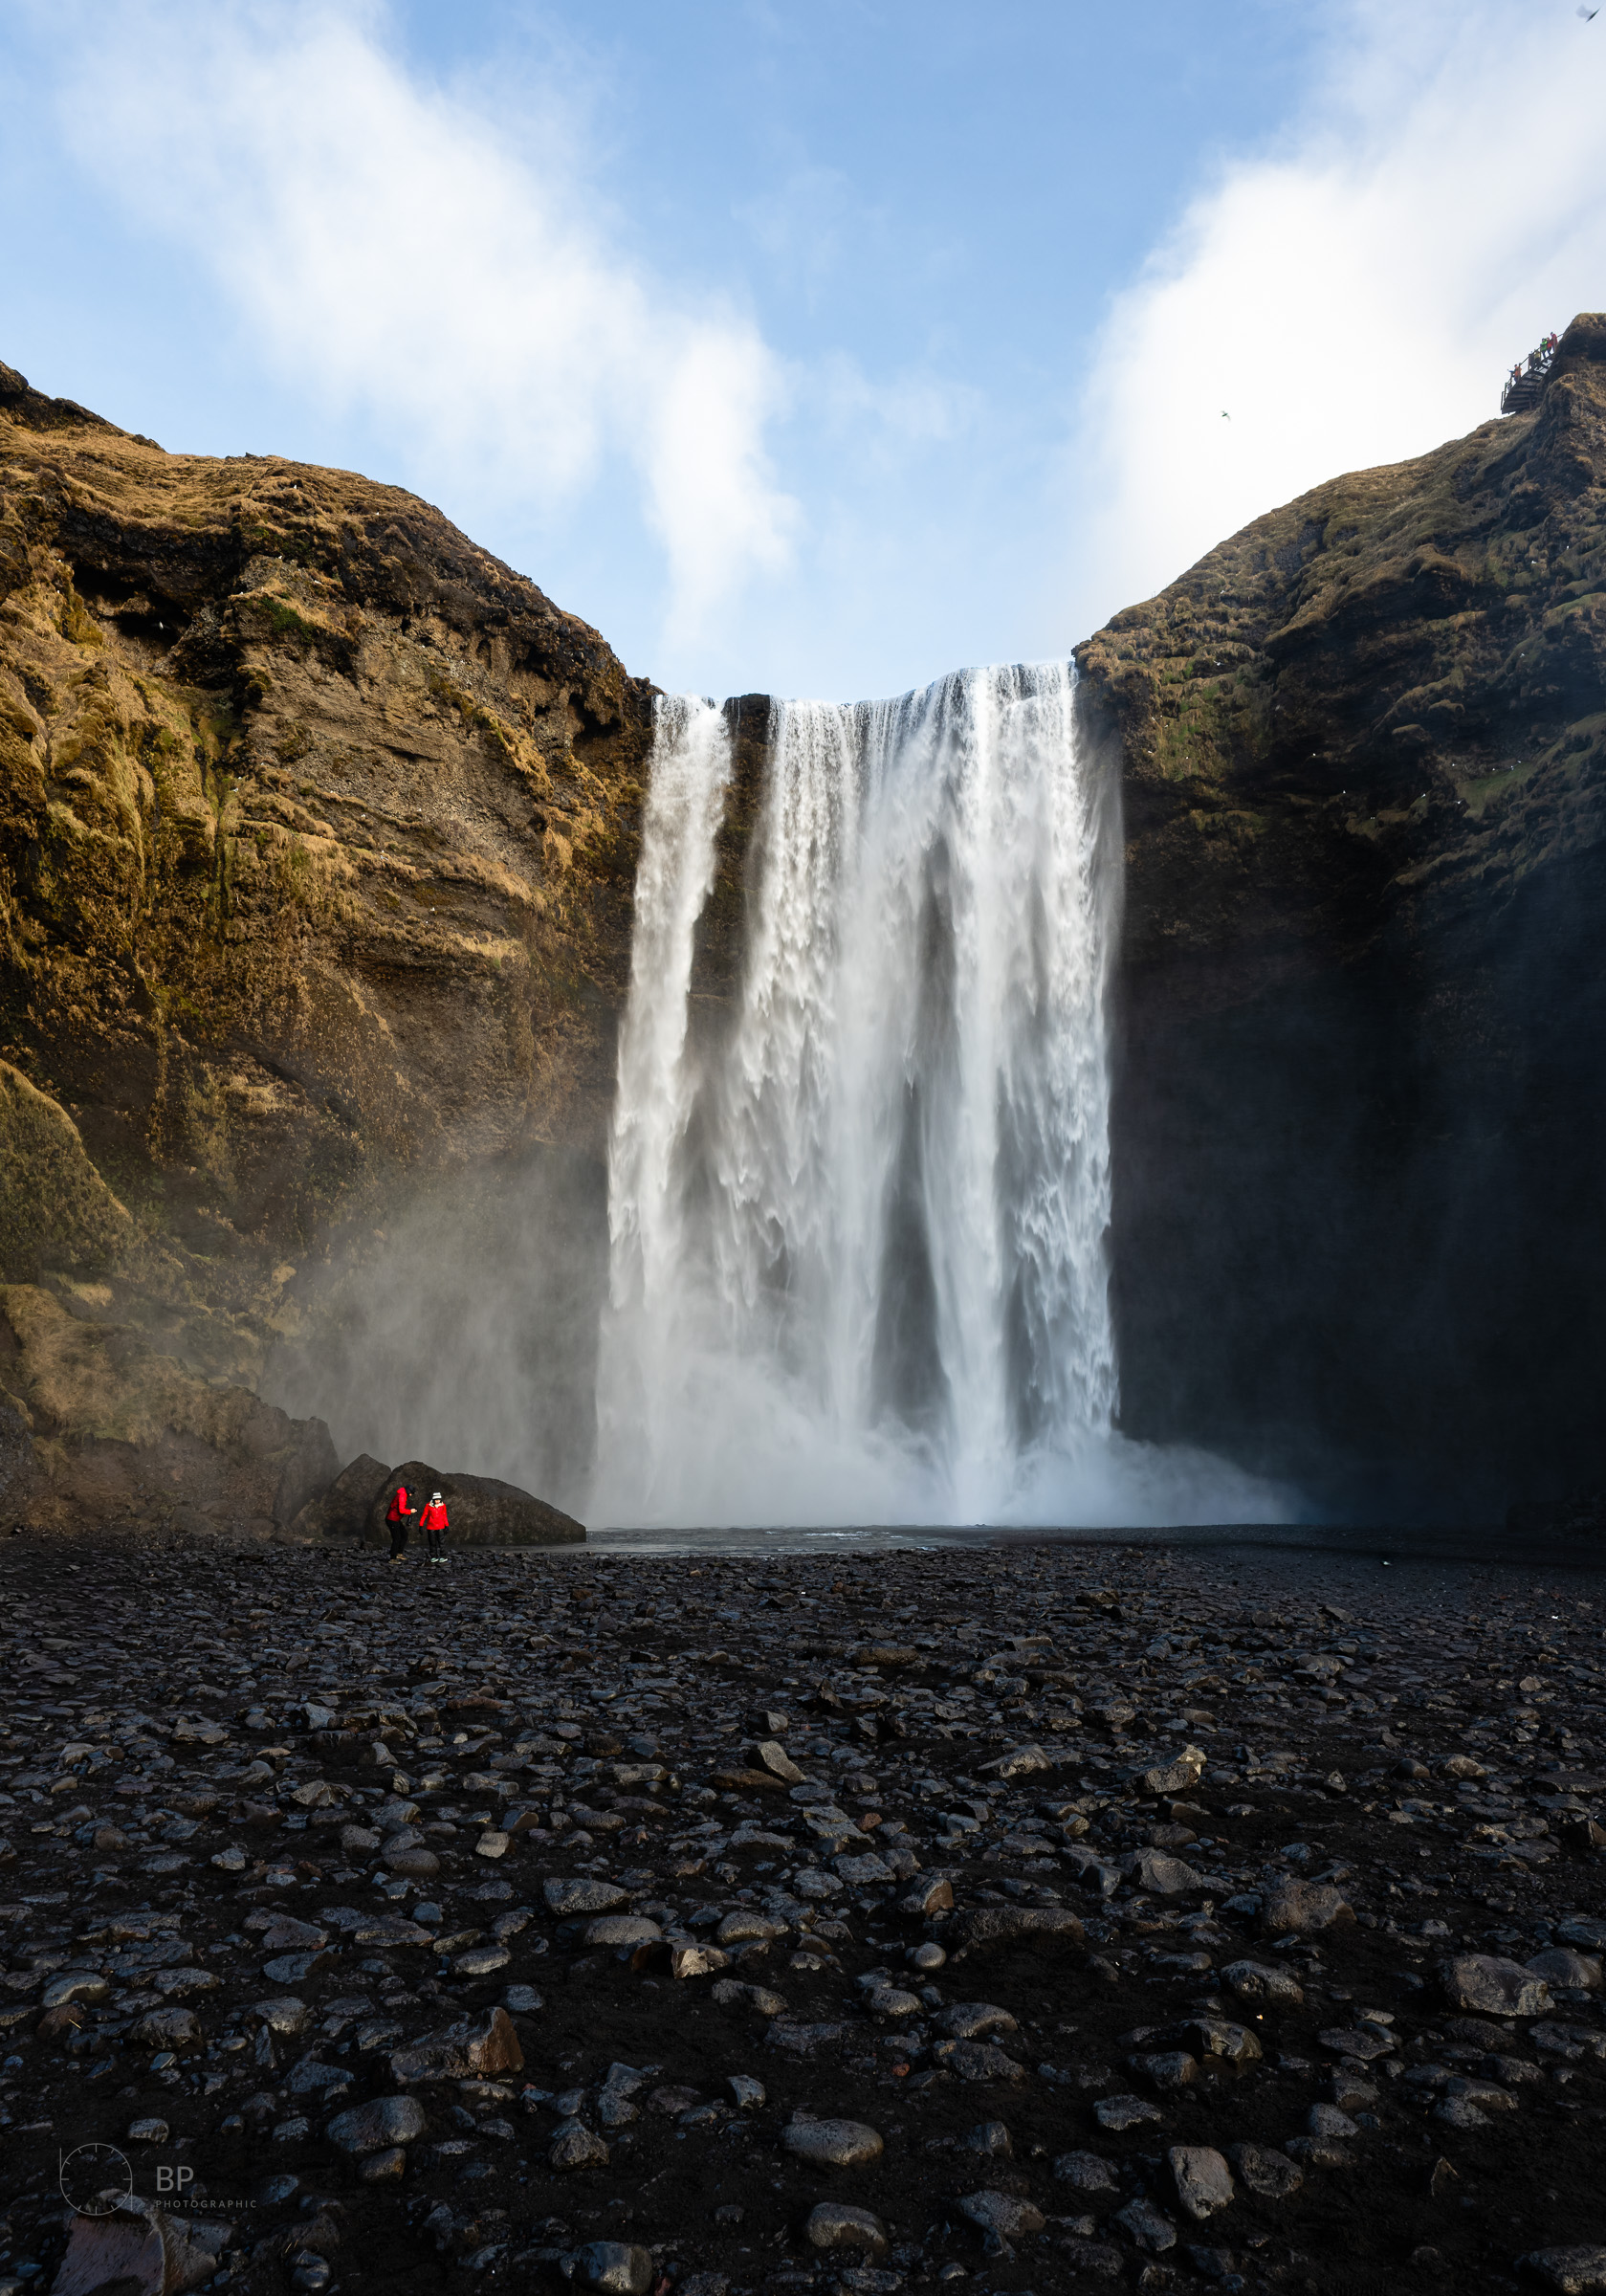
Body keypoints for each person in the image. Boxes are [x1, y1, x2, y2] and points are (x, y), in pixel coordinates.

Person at [386, 1481, 416, 1563]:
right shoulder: (402, 1496)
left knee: (404, 1535)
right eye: (410, 1493)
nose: (410, 1495)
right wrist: (410, 1511)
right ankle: (393, 1558)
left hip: (395, 1519)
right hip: (392, 1519)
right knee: (397, 1538)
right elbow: (401, 1510)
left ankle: (399, 1553)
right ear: (408, 1491)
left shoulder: (402, 1494)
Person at [421, 1490, 450, 1566]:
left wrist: (446, 1525)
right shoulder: (428, 1506)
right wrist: (421, 1525)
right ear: (433, 1500)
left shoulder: (443, 1506)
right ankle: (433, 1556)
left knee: (441, 1542)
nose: (437, 1501)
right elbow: (424, 1515)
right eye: (436, 1500)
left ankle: (443, 1556)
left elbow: (444, 1516)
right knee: (432, 1542)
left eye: (438, 1500)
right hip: (431, 1527)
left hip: (440, 1526)